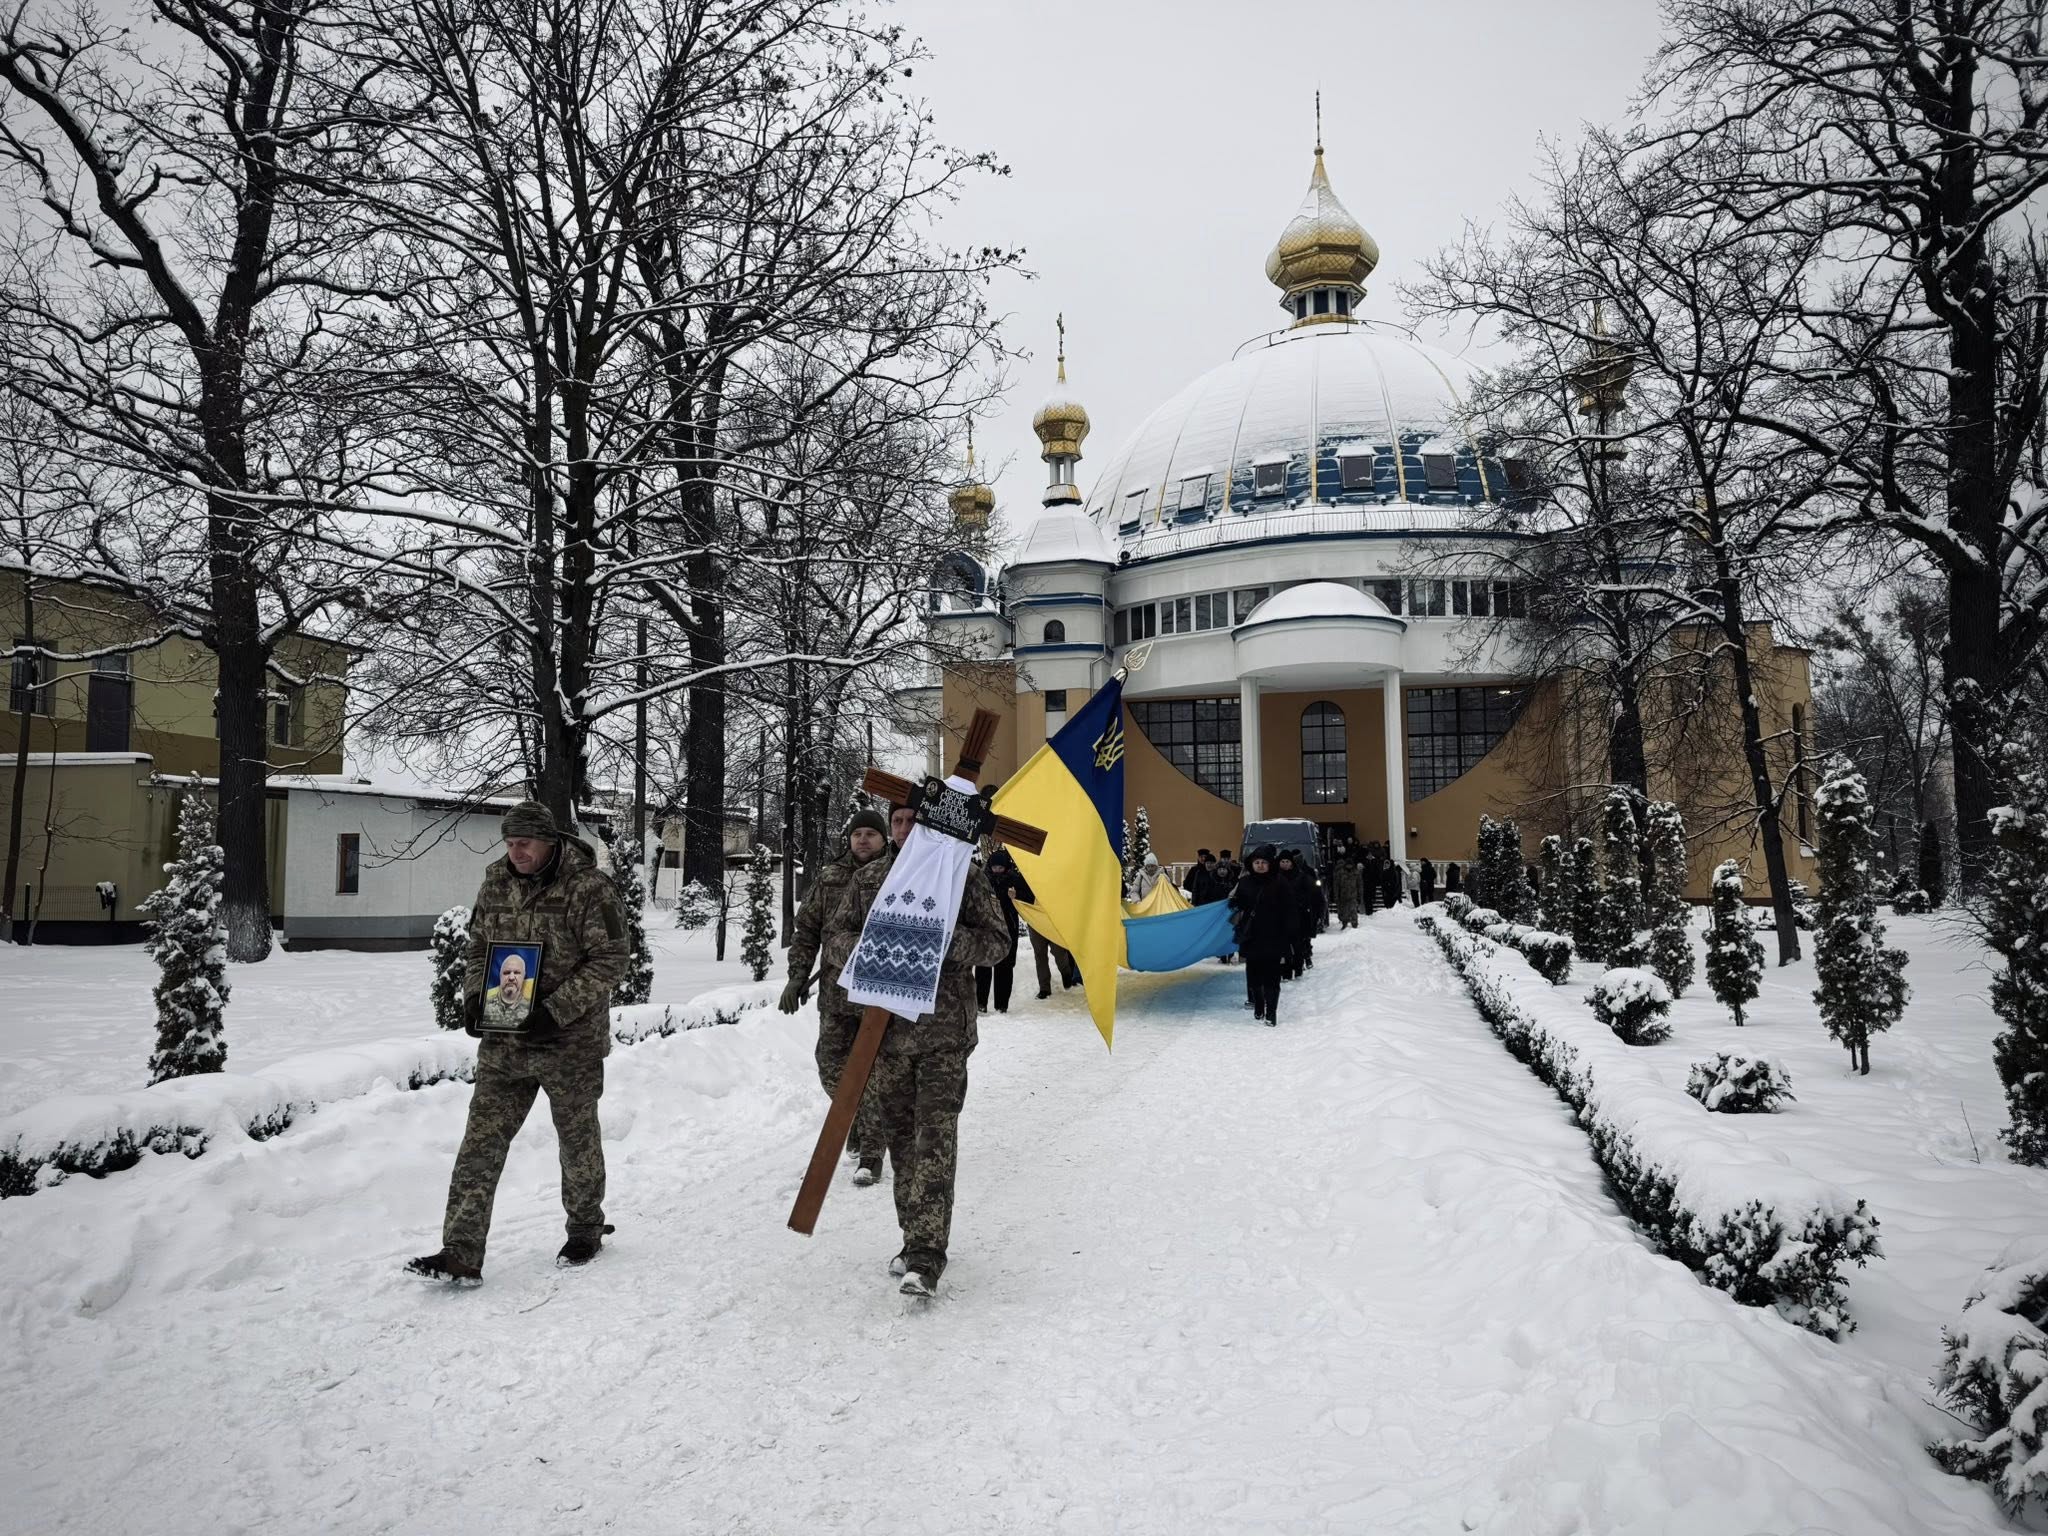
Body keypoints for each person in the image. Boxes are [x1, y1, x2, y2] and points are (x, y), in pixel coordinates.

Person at [407, 800, 631, 1284]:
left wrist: (556, 1011)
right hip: (505, 1044)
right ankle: (461, 1251)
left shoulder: (589, 887)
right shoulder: (496, 882)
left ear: (548, 841)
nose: (516, 852)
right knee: (480, 1142)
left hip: (569, 1042)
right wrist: (474, 997)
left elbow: (612, 958)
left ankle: (585, 1228)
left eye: (524, 843)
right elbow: (477, 948)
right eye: (509, 843)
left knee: (576, 1140)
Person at [823, 830, 1010, 1297]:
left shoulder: (964, 876)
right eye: (899, 821)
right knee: (903, 1142)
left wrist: (943, 940)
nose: (906, 829)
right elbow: (835, 938)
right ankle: (913, 1239)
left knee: (934, 1139)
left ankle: (927, 1254)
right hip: (885, 1036)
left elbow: (997, 943)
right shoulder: (870, 879)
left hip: (944, 1037)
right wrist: (878, 944)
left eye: (914, 820)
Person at [783, 807, 892, 1186]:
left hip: (879, 993)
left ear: (883, 839)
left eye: (871, 834)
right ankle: (859, 1120)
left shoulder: (897, 874)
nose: (863, 840)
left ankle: (872, 1154)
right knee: (830, 1065)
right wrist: (797, 977)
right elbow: (807, 930)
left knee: (873, 1071)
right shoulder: (829, 877)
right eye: (857, 834)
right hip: (835, 993)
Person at [1228, 845, 1297, 1025]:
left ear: (1270, 864)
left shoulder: (1280, 882)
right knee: (1254, 975)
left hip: (1274, 936)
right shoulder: (1245, 882)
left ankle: (1271, 1013)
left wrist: (1289, 932)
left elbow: (1290, 909)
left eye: (1263, 862)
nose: (1260, 865)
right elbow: (1239, 905)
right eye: (1256, 862)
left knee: (1272, 977)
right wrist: (1234, 903)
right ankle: (1259, 1004)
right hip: (1252, 936)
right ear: (1251, 864)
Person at [975, 848, 1035, 1014]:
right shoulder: (983, 879)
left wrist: (1017, 895)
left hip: (1008, 929)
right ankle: (980, 1003)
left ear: (1006, 867)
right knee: (983, 965)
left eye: (1000, 868)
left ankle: (1002, 1005)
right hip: (986, 928)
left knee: (1005, 967)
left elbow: (1031, 897)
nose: (997, 871)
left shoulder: (1014, 879)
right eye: (994, 867)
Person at [479, 950, 532, 1031]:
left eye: (517, 973)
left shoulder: (531, 1011)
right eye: (506, 973)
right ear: (500, 975)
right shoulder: (483, 1007)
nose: (511, 978)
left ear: (524, 976)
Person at [1332, 851, 1364, 930]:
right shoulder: (1340, 873)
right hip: (1343, 895)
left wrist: (1360, 896)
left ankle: (1354, 924)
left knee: (1353, 910)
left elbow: (1359, 885)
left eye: (1350, 865)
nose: (1349, 866)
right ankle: (1345, 924)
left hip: (1353, 895)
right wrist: (1336, 896)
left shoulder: (1356, 873)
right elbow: (1336, 885)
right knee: (1344, 911)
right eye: (1348, 865)